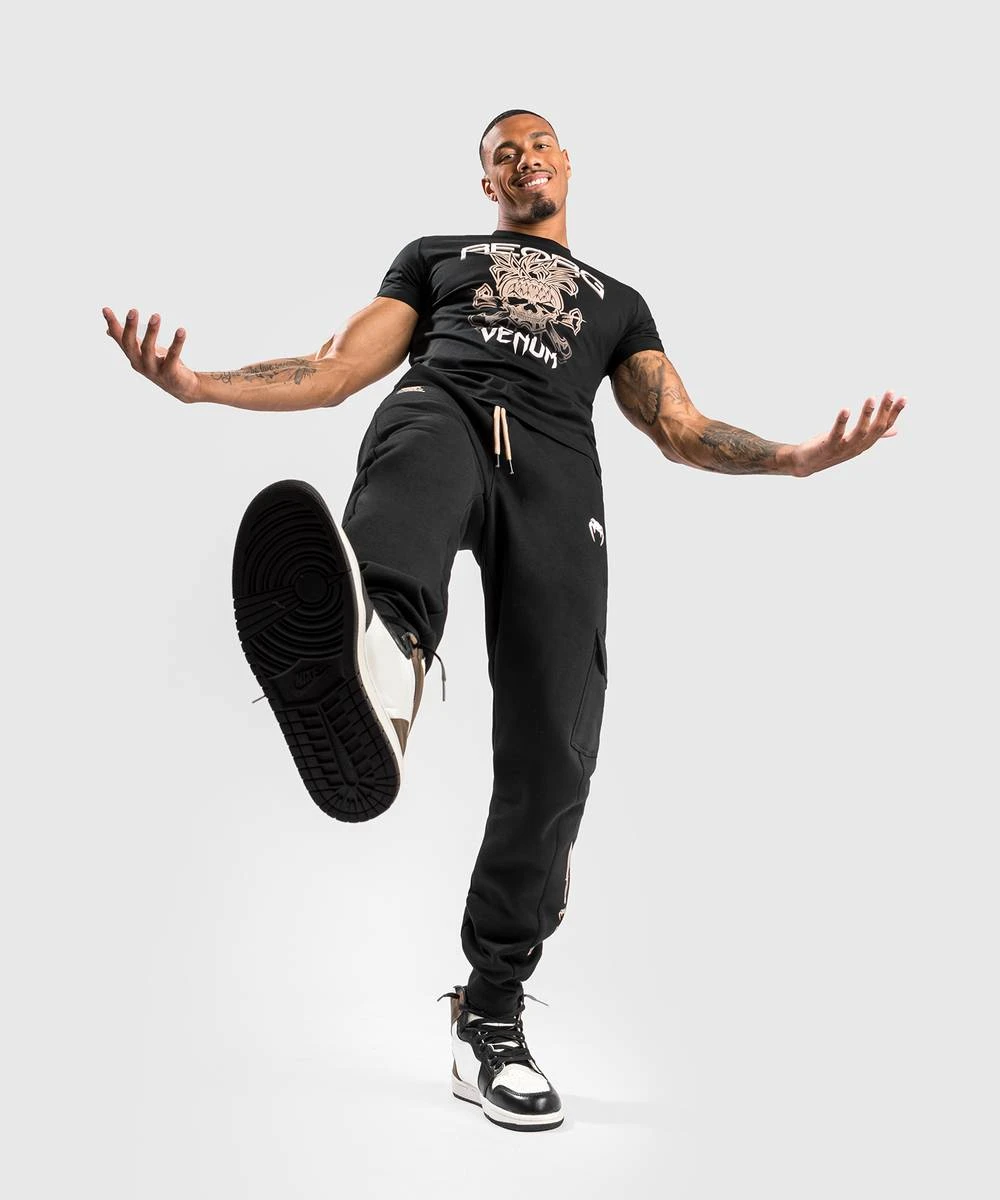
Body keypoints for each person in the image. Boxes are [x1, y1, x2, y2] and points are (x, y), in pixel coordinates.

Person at [102, 108, 906, 1133]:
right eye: (501, 153)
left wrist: (794, 458)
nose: (523, 158)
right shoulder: (437, 257)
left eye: (537, 145)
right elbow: (338, 367)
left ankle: (489, 1015)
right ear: (487, 184)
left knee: (556, 753)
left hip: (558, 470)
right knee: (418, 459)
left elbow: (680, 426)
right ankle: (383, 656)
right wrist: (200, 386)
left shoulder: (618, 303)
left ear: (566, 163)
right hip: (443, 408)